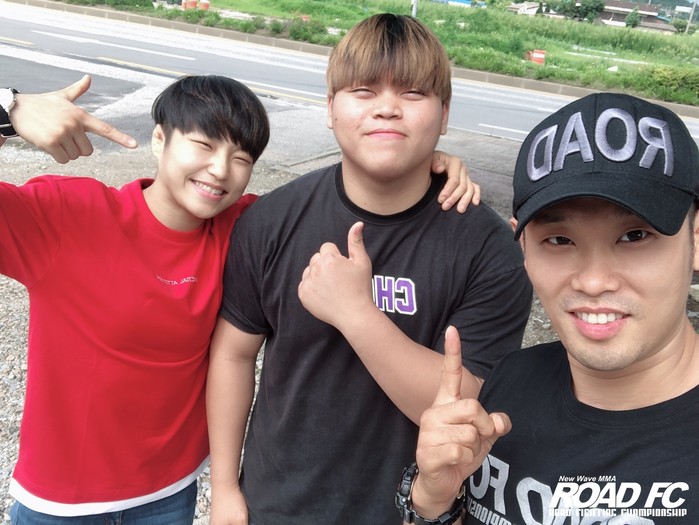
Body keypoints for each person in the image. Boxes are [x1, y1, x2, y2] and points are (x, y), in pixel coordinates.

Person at [1, 74, 476, 524]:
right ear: (160, 139)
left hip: (169, 494)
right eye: (204, 145)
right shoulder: (69, 214)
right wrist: (9, 109)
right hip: (59, 502)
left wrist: (423, 164)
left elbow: (342, 201)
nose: (220, 170)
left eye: (241, 158)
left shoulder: (244, 227)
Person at [207, 13, 532, 525]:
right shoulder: (272, 219)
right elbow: (233, 354)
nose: (386, 107)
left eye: (413, 93)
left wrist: (356, 313)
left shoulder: (489, 249)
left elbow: (461, 405)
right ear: (330, 108)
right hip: (275, 504)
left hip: (406, 512)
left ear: (444, 115)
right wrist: (225, 488)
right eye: (363, 91)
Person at [402, 92, 699, 524]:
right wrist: (432, 502)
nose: (593, 281)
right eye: (559, 240)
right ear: (522, 246)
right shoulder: (511, 383)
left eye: (635, 236)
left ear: (695, 238)